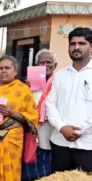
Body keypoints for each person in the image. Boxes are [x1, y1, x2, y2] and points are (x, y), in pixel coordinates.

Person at [46, 27, 92, 172]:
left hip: (88, 145)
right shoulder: (60, 75)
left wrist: (80, 131)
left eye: (81, 43)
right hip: (60, 142)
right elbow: (50, 104)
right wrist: (62, 128)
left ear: (91, 46)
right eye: (72, 44)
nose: (76, 47)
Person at [21, 49, 56, 181]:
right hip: (31, 132)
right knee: (29, 167)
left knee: (45, 170)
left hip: (50, 132)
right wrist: (25, 88)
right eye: (42, 62)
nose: (45, 65)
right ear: (36, 65)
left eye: (49, 62)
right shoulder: (29, 83)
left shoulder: (59, 82)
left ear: (55, 65)